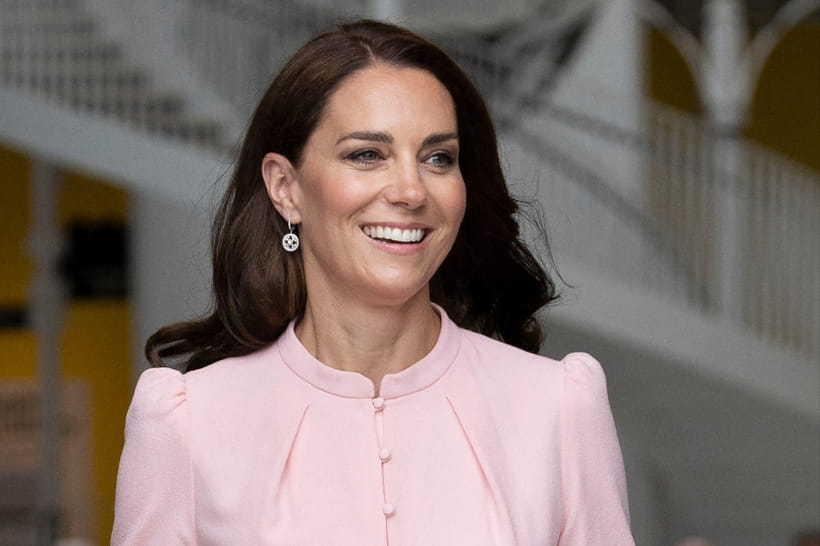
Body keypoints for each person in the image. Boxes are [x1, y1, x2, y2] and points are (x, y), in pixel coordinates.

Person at [112, 19, 634, 545]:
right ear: (285, 187)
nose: (410, 190)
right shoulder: (187, 423)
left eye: (438, 158)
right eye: (367, 155)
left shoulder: (559, 405)